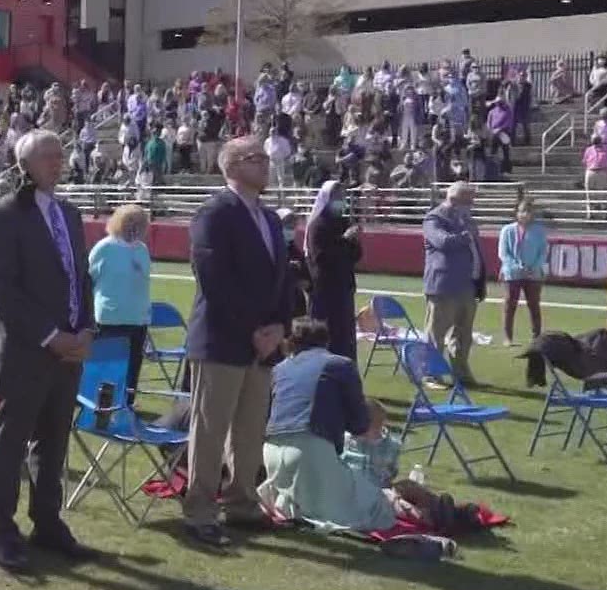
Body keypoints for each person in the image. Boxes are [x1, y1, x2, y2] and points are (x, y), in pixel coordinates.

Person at [0, 130, 99, 572]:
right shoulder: (3, 215)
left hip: (68, 350)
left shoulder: (68, 213)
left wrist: (84, 329)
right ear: (24, 164)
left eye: (59, 154)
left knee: (54, 441)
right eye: (47, 156)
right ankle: (1, 530)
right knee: (11, 441)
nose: (57, 162)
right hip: (27, 351)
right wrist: (51, 335)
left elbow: (79, 277)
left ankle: (47, 522)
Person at [181, 136, 295, 548]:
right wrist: (254, 329)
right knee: (210, 430)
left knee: (249, 431)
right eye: (254, 158)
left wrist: (280, 327)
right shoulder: (214, 213)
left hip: (263, 343)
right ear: (230, 167)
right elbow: (214, 279)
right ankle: (199, 511)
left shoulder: (268, 218)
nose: (265, 164)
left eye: (266, 158)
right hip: (222, 339)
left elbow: (283, 277)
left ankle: (242, 502)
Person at [260, 318, 440, 532]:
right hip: (310, 451)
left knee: (300, 498)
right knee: (375, 507)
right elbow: (360, 424)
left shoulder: (279, 369)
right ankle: (432, 512)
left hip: (271, 453)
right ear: (325, 343)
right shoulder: (339, 365)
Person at [423, 181, 486, 388]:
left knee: (463, 334)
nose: (472, 204)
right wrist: (465, 235)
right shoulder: (434, 218)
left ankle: (461, 373)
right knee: (437, 333)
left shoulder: (467, 219)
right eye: (469, 200)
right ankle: (431, 374)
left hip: (468, 285)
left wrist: (480, 280)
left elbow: (476, 251)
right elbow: (442, 242)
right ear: (454, 199)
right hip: (444, 285)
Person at [87, 203, 152, 394]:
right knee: (106, 366)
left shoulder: (142, 249)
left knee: (132, 367)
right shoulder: (104, 248)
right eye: (130, 221)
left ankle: (127, 405)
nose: (135, 227)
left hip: (138, 318)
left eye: (140, 223)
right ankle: (98, 405)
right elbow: (89, 280)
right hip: (110, 317)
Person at [303, 179, 362, 362]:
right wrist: (344, 240)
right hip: (325, 290)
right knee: (324, 335)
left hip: (344, 287)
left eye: (343, 197)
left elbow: (355, 256)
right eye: (337, 197)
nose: (341, 200)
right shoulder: (318, 225)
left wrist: (354, 241)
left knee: (345, 336)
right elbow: (321, 257)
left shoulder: (343, 222)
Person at [498, 200, 549, 346]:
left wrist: (534, 267)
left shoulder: (539, 231)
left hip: (533, 274)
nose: (525, 214)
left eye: (528, 211)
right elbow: (503, 253)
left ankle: (536, 337)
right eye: (522, 211)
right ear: (516, 213)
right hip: (512, 273)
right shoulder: (507, 230)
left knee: (534, 305)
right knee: (510, 304)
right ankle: (508, 337)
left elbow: (543, 251)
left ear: (532, 214)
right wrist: (517, 267)